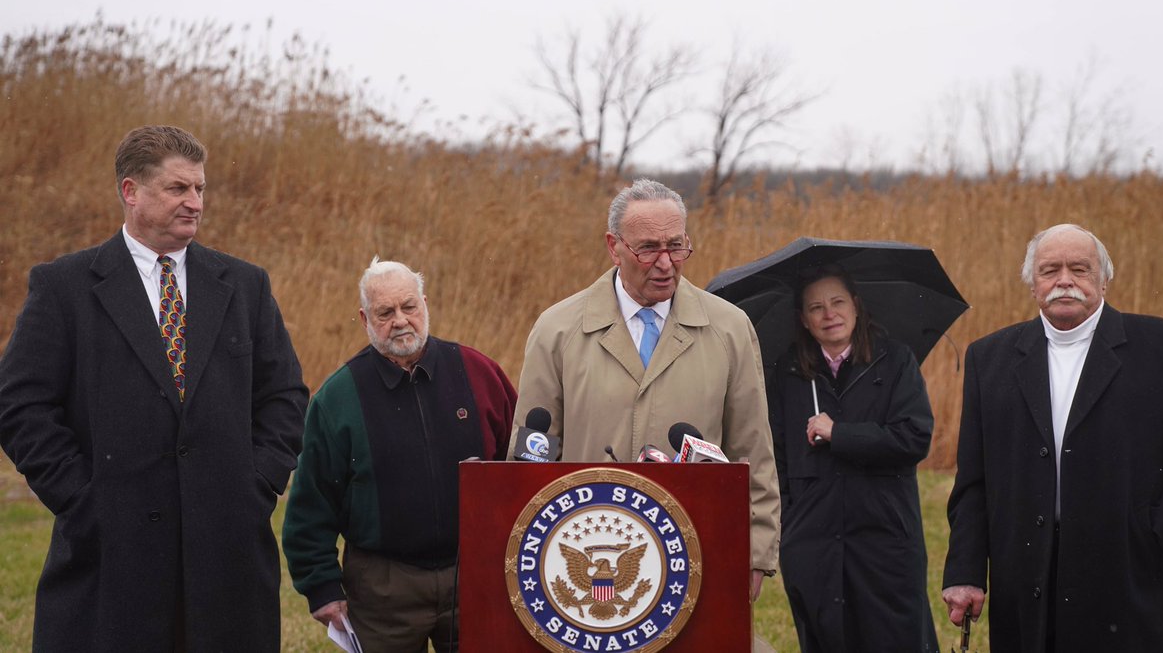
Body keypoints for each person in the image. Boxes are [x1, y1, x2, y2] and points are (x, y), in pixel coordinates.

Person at [0, 125, 308, 651]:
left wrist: (254, 487)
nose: (195, 202)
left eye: (201, 189)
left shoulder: (244, 286)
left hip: (225, 561)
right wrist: (81, 498)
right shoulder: (64, 287)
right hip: (110, 563)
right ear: (131, 191)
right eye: (178, 189)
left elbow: (284, 397)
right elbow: (20, 405)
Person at [511, 178, 781, 598]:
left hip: (698, 554)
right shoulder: (556, 330)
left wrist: (756, 555)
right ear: (613, 246)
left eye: (676, 245)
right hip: (587, 559)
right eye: (649, 248)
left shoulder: (730, 329)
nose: (666, 262)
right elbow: (529, 459)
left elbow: (754, 452)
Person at [942, 223, 1163, 652]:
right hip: (1026, 579)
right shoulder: (990, 359)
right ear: (1032, 284)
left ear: (1104, 279)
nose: (1065, 280)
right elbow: (974, 479)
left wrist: (1152, 539)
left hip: (1130, 580)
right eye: (1050, 270)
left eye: (1079, 269)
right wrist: (965, 571)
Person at [283, 258, 516, 652]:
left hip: (476, 574)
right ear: (364, 318)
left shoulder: (478, 373)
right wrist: (320, 585)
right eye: (385, 312)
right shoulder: (338, 398)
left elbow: (522, 468)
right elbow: (312, 501)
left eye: (409, 307)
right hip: (382, 587)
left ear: (425, 304)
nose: (401, 321)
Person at [768, 265, 939, 652]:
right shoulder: (789, 373)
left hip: (885, 542)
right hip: (814, 546)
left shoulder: (895, 361)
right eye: (816, 307)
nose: (829, 314)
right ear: (804, 320)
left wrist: (839, 433)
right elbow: (777, 459)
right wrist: (791, 529)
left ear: (857, 307)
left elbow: (914, 438)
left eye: (838, 302)